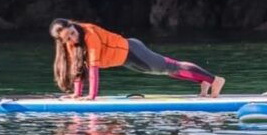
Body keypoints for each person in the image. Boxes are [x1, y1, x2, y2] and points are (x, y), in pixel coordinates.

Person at [50, 18, 225, 100]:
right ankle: (203, 81)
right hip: (126, 60)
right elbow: (79, 67)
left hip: (132, 51)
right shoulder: (71, 43)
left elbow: (93, 69)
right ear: (62, 41)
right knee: (166, 71)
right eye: (68, 38)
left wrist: (91, 96)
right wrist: (77, 94)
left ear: (73, 25)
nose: (73, 38)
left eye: (72, 33)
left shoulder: (89, 35)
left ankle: (215, 80)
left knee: (169, 67)